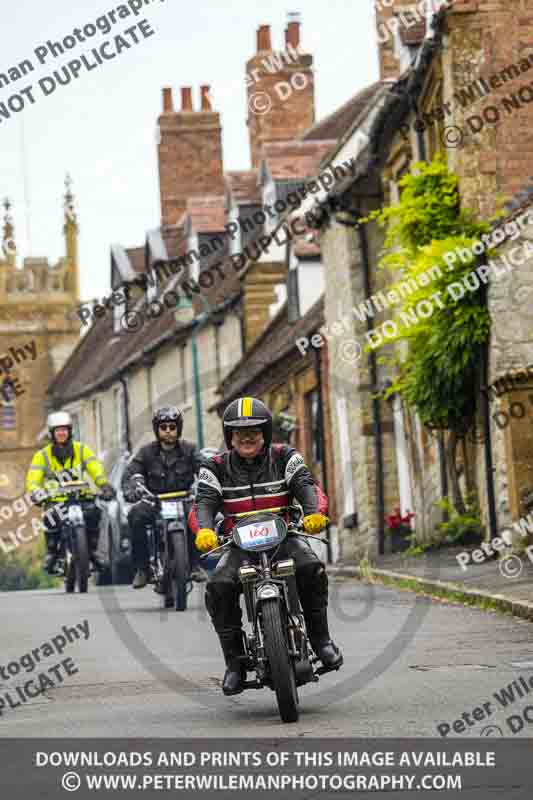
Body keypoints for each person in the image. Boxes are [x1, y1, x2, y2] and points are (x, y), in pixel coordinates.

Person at [190, 396, 343, 696]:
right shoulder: (215, 466)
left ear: (267, 433)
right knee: (218, 586)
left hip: (284, 539)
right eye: (238, 432)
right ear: (228, 436)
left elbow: (308, 487)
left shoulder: (286, 456)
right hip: (239, 546)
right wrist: (205, 530)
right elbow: (203, 504)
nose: (246, 437)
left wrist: (314, 514)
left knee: (311, 568)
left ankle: (322, 641)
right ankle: (234, 664)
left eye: (254, 431)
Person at [122, 405, 204, 589]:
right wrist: (132, 490)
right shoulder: (146, 453)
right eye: (164, 427)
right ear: (157, 429)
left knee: (196, 516)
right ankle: (142, 569)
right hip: (155, 502)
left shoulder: (190, 450)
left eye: (172, 427)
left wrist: (209, 483)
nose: (168, 432)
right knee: (135, 516)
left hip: (183, 499)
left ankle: (195, 565)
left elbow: (205, 469)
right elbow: (130, 474)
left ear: (179, 428)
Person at [26, 411, 116, 573]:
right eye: (57, 430)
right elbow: (33, 478)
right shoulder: (42, 456)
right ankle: (52, 553)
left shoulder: (82, 450)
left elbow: (95, 469)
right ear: (52, 433)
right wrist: (35, 492)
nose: (61, 433)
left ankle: (93, 551)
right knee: (50, 516)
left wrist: (104, 485)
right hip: (56, 500)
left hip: (81, 497)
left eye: (64, 429)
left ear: (70, 431)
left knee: (95, 512)